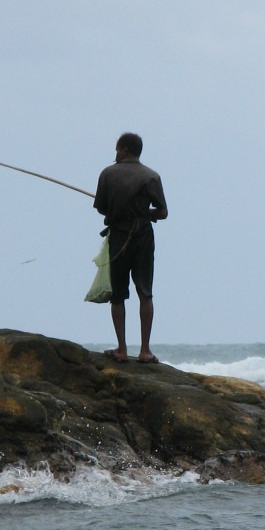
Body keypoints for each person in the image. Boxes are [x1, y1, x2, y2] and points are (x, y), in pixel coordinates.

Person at [93, 132, 168, 363]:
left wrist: (118, 213)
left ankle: (122, 350)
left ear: (125, 149)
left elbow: (101, 208)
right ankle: (145, 351)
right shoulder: (151, 176)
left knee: (118, 295)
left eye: (117, 149)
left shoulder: (108, 174)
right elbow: (163, 212)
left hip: (119, 238)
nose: (115, 154)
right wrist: (145, 214)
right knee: (145, 292)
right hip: (143, 236)